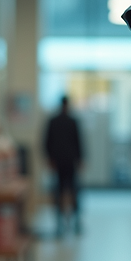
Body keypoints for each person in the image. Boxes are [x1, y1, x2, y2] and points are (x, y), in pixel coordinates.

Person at [43, 96, 83, 237]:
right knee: (73, 191)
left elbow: (46, 142)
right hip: (70, 161)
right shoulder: (72, 121)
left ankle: (60, 225)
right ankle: (76, 223)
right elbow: (79, 142)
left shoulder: (53, 121)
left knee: (59, 191)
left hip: (58, 162)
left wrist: (49, 159)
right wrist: (80, 159)